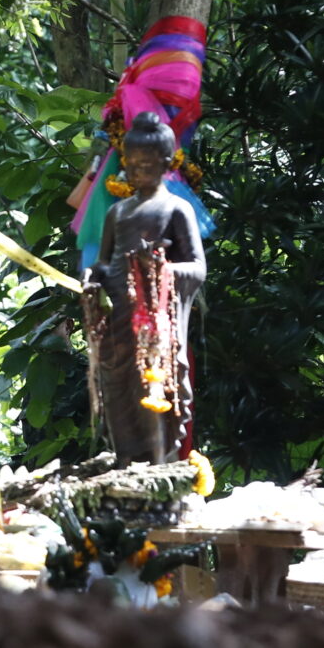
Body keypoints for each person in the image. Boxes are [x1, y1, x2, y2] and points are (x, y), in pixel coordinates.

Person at [81, 110, 207, 465]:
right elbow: (105, 263)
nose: (139, 172)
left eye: (148, 165)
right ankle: (125, 464)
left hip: (156, 326)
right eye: (132, 164)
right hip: (119, 320)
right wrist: (93, 276)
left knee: (155, 388)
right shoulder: (117, 213)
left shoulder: (176, 209)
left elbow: (198, 269)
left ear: (167, 163)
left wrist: (161, 269)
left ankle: (158, 466)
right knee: (118, 390)